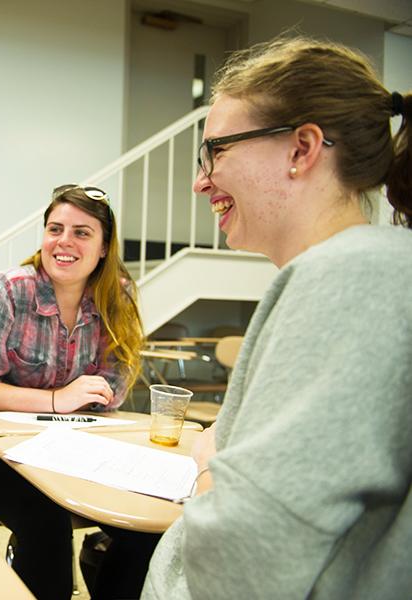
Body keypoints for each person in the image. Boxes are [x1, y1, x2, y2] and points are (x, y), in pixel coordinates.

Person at [142, 36, 412, 599]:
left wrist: (213, 462)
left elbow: (243, 566)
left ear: (301, 149)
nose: (200, 179)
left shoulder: (347, 278)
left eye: (216, 151)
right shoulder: (362, 271)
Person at [0, 185, 145, 599]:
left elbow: (117, 380)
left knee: (143, 530)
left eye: (82, 232)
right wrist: (56, 400)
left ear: (105, 246)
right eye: (55, 229)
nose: (64, 242)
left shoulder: (118, 294)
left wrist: (90, 397)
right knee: (48, 526)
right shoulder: (11, 290)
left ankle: (101, 563)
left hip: (81, 451)